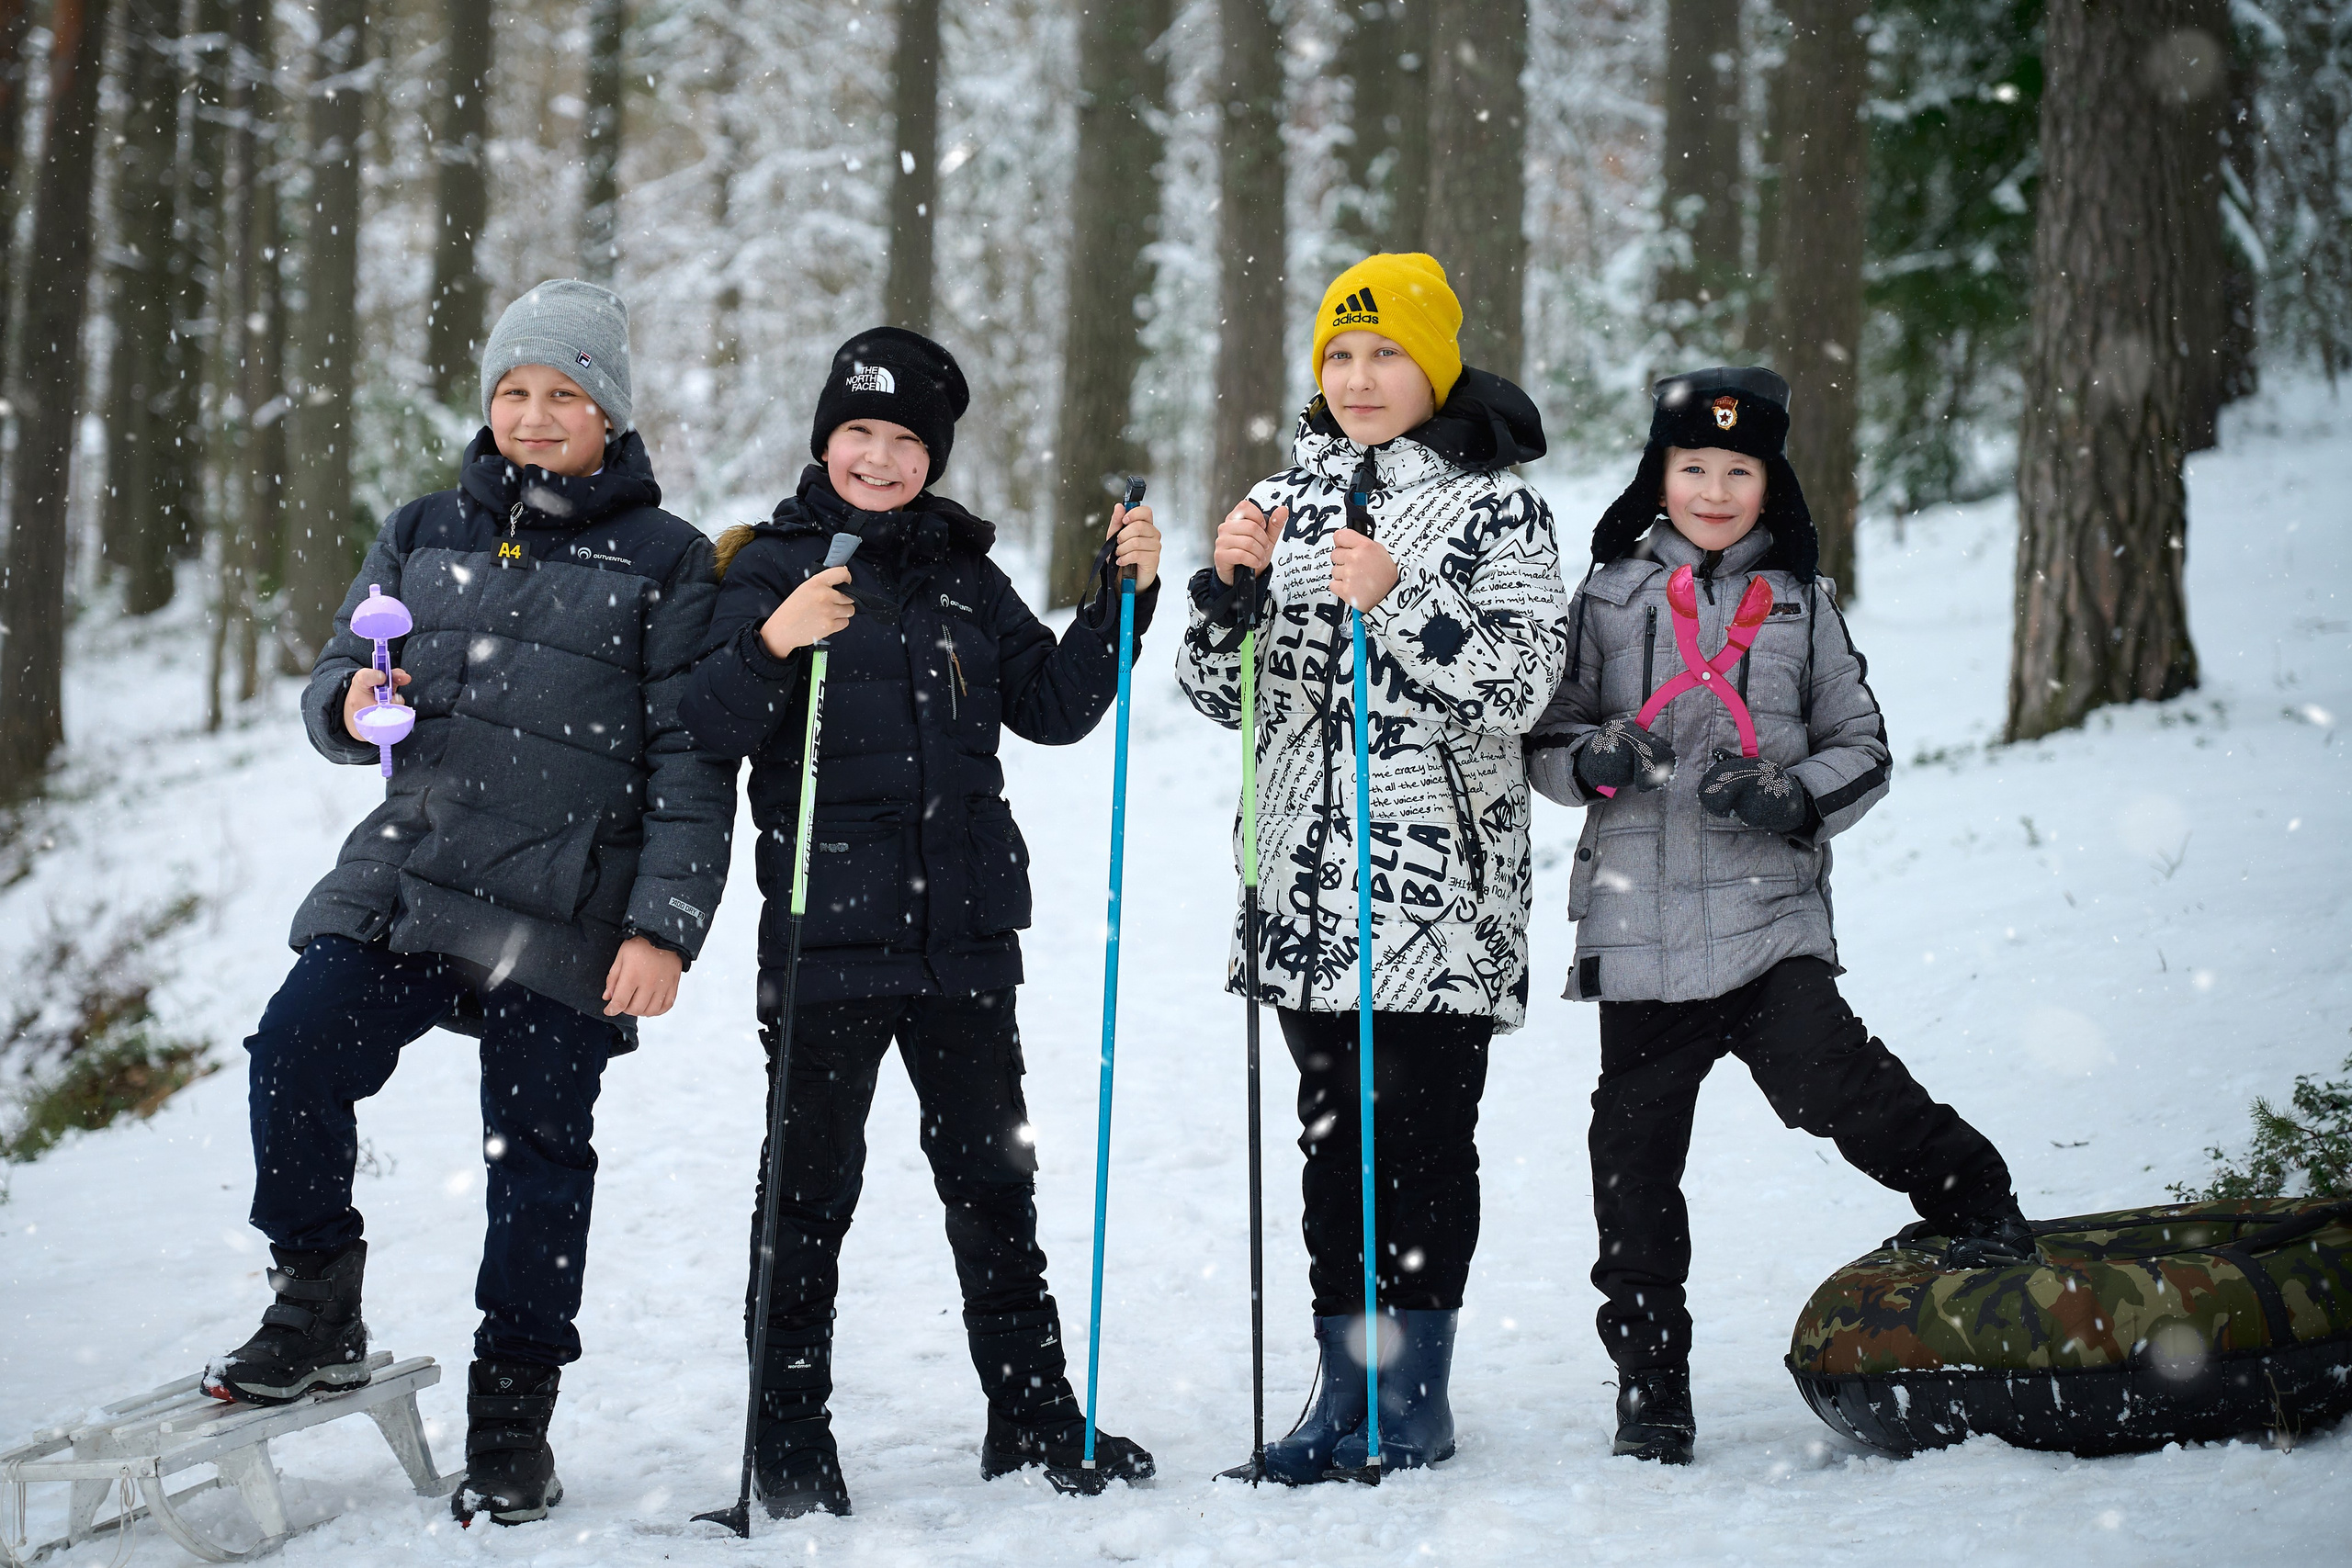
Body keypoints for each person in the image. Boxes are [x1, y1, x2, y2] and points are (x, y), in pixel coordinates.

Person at [206, 280, 735, 1527]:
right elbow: (342, 673)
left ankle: (512, 1419)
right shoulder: (422, 527)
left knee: (536, 1155)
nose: (536, 417)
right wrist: (348, 709)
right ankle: (318, 1295)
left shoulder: (663, 558)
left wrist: (663, 927)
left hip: (563, 904)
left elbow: (690, 762)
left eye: (564, 396)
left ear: (609, 413)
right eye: (514, 392)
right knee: (294, 1047)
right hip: (409, 878)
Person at [677, 327, 1162, 1518]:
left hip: (962, 938)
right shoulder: (769, 563)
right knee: (807, 1195)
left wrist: (1118, 603)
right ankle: (786, 1442)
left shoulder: (963, 575)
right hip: (825, 936)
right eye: (861, 433)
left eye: (904, 441)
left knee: (994, 1183)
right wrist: (774, 637)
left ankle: (1034, 1412)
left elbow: (1052, 706)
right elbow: (707, 719)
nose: (882, 458)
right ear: (826, 440)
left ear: (932, 455)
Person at [1525, 366, 2035, 1466]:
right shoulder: (1607, 595)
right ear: (1659, 474)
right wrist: (1594, 758)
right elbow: (1547, 743)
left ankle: (1973, 1198)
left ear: (1770, 481)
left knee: (1832, 1087)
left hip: (1767, 922)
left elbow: (1866, 748)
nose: (1714, 488)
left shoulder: (1803, 608)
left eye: (1738, 469)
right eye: (1692, 466)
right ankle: (1651, 1384)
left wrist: (1790, 795)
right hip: (1640, 929)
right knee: (1632, 1160)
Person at [1177, 254, 1569, 1483]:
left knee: (1421, 1141)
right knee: (1332, 1146)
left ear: (1433, 364)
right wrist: (1229, 590)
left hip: (1440, 898)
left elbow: (1520, 685)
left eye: (1384, 352)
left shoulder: (1497, 507)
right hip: (1301, 891)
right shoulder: (1278, 497)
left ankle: (1413, 1396)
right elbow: (1212, 691)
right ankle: (1339, 1396)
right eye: (1339, 356)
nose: (1358, 377)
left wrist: (1400, 600)